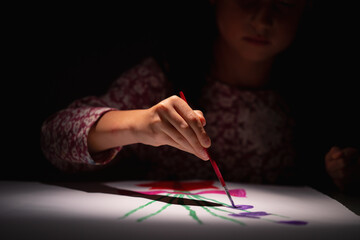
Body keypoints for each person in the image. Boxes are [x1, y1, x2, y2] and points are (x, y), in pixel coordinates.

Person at [41, 0, 359, 192]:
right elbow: (53, 138)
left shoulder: (319, 98)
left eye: (285, 2)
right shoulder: (162, 80)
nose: (264, 19)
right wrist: (141, 124)